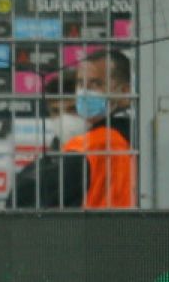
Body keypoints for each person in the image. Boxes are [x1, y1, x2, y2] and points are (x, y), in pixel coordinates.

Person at [11, 52, 136, 209]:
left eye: (96, 84)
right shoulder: (136, 138)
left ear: (124, 92)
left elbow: (24, 199)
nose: (84, 92)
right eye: (80, 84)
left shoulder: (91, 146)